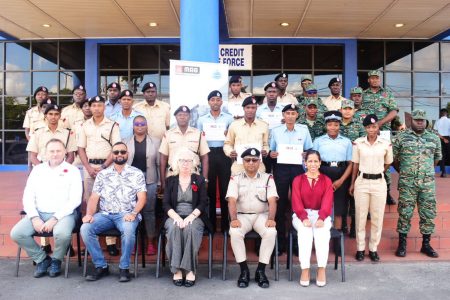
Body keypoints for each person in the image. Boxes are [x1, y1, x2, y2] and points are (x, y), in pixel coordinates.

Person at [10, 138, 82, 278]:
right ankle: (42, 259)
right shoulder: (37, 170)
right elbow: (28, 196)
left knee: (62, 234)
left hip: (64, 215)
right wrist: (35, 217)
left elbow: (75, 200)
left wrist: (55, 218)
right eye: (52, 151)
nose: (55, 154)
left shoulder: (72, 171)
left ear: (65, 152)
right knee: (17, 233)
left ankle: (56, 260)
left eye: (58, 151)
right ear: (45, 153)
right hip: (40, 213)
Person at [81, 142, 147, 282]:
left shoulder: (136, 173)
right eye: (116, 152)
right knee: (85, 228)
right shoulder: (103, 174)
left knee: (129, 231)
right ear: (112, 155)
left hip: (127, 214)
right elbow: (94, 198)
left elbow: (142, 198)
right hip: (105, 215)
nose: (119, 155)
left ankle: (124, 268)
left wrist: (134, 213)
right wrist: (89, 214)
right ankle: (101, 266)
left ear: (127, 154)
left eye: (122, 152)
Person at [226, 148, 278, 289]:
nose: (251, 163)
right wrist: (234, 219)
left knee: (271, 232)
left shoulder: (268, 178)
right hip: (242, 216)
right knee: (235, 232)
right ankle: (244, 270)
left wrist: (271, 218)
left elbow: (272, 200)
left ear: (259, 162)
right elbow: (231, 200)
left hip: (262, 215)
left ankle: (261, 271)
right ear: (242, 162)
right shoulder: (235, 179)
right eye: (247, 160)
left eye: (254, 160)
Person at [393, 109, 441, 258]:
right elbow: (394, 159)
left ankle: (426, 245)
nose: (420, 122)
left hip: (427, 184)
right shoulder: (401, 137)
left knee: (428, 214)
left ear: (426, 121)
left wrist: (425, 172)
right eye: (416, 120)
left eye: (422, 120)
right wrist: (405, 172)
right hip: (407, 183)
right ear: (411, 121)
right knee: (405, 213)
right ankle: (402, 245)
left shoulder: (434, 138)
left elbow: (437, 159)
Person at [77, 95, 121, 256]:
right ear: (90, 107)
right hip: (89, 167)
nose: (96, 108)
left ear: (104, 107)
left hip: (107, 168)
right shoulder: (84, 126)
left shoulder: (112, 126)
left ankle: (110, 243)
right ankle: (90, 243)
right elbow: (81, 148)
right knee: (90, 205)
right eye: (93, 105)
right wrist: (88, 167)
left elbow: (116, 149)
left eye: (99, 105)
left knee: (108, 204)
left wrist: (103, 167)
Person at [162, 148, 212, 287]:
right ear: (176, 163)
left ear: (194, 163)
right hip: (174, 214)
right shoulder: (170, 180)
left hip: (195, 215)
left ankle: (189, 270)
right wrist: (176, 217)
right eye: (182, 161)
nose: (185, 164)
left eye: (189, 161)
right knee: (174, 228)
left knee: (190, 228)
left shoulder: (199, 180)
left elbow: (203, 202)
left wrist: (191, 216)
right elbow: (165, 204)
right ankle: (177, 269)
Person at [269, 104, 313, 254]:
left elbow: (309, 149)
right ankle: (280, 242)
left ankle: (296, 243)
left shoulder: (303, 130)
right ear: (283, 115)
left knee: (298, 204)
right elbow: (271, 151)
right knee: (280, 205)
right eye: (287, 113)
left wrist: (305, 154)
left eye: (293, 113)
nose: (290, 116)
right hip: (281, 168)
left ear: (297, 115)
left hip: (297, 168)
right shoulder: (275, 131)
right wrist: (272, 154)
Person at [349, 115, 393, 262]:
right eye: (368, 127)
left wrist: (379, 171)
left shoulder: (385, 144)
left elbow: (388, 163)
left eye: (374, 127)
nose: (371, 129)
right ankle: (360, 249)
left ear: (378, 127)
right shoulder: (358, 143)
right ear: (365, 128)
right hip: (361, 182)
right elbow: (355, 164)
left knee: (377, 217)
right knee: (360, 217)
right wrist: (352, 183)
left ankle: (373, 248)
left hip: (378, 183)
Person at [291, 150, 333, 287]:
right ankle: (305, 269)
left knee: (322, 233)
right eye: (310, 161)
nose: (313, 164)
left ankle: (321, 269)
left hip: (322, 214)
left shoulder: (326, 180)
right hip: (301, 214)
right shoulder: (298, 180)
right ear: (305, 163)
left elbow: (327, 201)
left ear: (320, 163)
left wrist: (321, 218)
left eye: (316, 161)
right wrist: (303, 218)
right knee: (305, 232)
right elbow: (296, 201)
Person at [197, 90, 234, 232]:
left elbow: (232, 139)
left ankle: (225, 225)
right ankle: (210, 225)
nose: (215, 102)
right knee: (210, 191)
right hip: (208, 154)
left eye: (218, 100)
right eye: (213, 100)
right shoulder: (202, 119)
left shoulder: (229, 119)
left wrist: (227, 135)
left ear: (221, 102)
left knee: (225, 190)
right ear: (208, 102)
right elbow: (200, 139)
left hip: (224, 154)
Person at [362, 70, 399, 205]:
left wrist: (380, 123)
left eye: (377, 77)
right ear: (368, 80)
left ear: (380, 79)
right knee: (366, 158)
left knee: (385, 160)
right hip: (366, 132)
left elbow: (394, 111)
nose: (375, 80)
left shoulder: (387, 94)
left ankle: (387, 191)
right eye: (372, 78)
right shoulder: (363, 94)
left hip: (383, 132)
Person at [125, 115, 160, 255]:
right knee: (132, 210)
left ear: (147, 126)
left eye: (142, 124)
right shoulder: (125, 142)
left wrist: (160, 182)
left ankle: (151, 242)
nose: (140, 126)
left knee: (149, 211)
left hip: (150, 179)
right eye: (137, 124)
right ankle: (134, 242)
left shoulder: (156, 142)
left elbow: (158, 163)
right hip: (130, 181)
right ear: (133, 126)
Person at [313, 111, 352, 232]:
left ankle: (337, 240)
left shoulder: (346, 141)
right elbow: (313, 162)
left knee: (339, 207)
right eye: (330, 124)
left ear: (340, 125)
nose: (333, 127)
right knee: (322, 205)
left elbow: (351, 164)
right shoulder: (318, 141)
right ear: (326, 126)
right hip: (323, 173)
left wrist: (341, 180)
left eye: (336, 124)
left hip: (341, 173)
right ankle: (322, 234)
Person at [159, 105, 210, 186]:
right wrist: (162, 181)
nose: (183, 117)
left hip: (193, 176)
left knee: (193, 199)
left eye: (185, 115)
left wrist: (205, 179)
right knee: (173, 199)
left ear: (189, 117)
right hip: (173, 175)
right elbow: (163, 158)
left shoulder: (198, 134)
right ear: (175, 117)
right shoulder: (168, 134)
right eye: (180, 115)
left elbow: (205, 157)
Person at [224, 96, 270, 175]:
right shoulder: (234, 125)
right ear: (243, 108)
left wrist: (265, 151)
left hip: (258, 167)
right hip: (239, 167)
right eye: (248, 107)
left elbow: (266, 144)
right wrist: (230, 152)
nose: (250, 110)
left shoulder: (264, 125)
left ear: (256, 109)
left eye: (253, 108)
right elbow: (228, 144)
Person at [339, 99, 365, 237]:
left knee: (355, 196)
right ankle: (343, 224)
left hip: (356, 165)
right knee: (343, 196)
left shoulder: (360, 126)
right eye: (345, 109)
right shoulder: (336, 125)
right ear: (341, 110)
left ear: (354, 111)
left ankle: (354, 226)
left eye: (350, 109)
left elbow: (363, 143)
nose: (347, 111)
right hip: (342, 165)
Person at [257, 81, 284, 173]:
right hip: (264, 146)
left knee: (280, 176)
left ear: (278, 93)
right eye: (269, 92)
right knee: (265, 174)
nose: (272, 94)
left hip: (279, 146)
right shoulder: (259, 110)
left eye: (274, 91)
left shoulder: (284, 110)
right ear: (265, 94)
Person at [433, 108, 450, 177]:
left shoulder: (437, 121)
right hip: (449, 138)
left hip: (440, 139)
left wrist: (443, 138)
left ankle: (444, 173)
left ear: (441, 114)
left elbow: (435, 132)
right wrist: (447, 139)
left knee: (442, 156)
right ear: (446, 114)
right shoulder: (449, 121)